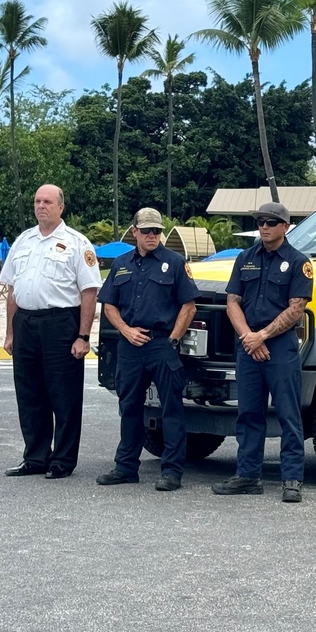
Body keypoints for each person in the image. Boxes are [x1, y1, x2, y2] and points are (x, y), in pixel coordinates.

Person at [0, 184, 102, 479]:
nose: (41, 206)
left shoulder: (77, 243)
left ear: (61, 207)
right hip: (26, 324)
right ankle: (35, 457)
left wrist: (83, 337)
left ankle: (62, 460)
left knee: (64, 395)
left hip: (60, 324)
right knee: (29, 394)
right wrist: (9, 333)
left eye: (47, 201)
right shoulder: (23, 241)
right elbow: (12, 290)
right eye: (37, 201)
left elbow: (89, 292)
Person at [212, 202, 313, 503]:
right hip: (248, 344)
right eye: (260, 222)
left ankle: (292, 478)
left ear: (285, 226)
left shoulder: (298, 262)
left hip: (279, 346)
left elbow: (297, 307)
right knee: (249, 414)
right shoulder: (245, 258)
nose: (264, 227)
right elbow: (232, 301)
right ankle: (247, 475)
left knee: (288, 413)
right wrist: (248, 337)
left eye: (271, 222)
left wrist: (263, 336)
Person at [95, 208, 198, 491]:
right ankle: (126, 467)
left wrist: (173, 341)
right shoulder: (121, 263)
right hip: (130, 345)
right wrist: (125, 330)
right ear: (135, 232)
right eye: (147, 231)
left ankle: (172, 471)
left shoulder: (174, 262)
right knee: (129, 407)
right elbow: (110, 305)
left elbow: (189, 306)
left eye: (157, 231)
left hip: (162, 343)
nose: (152, 236)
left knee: (172, 409)